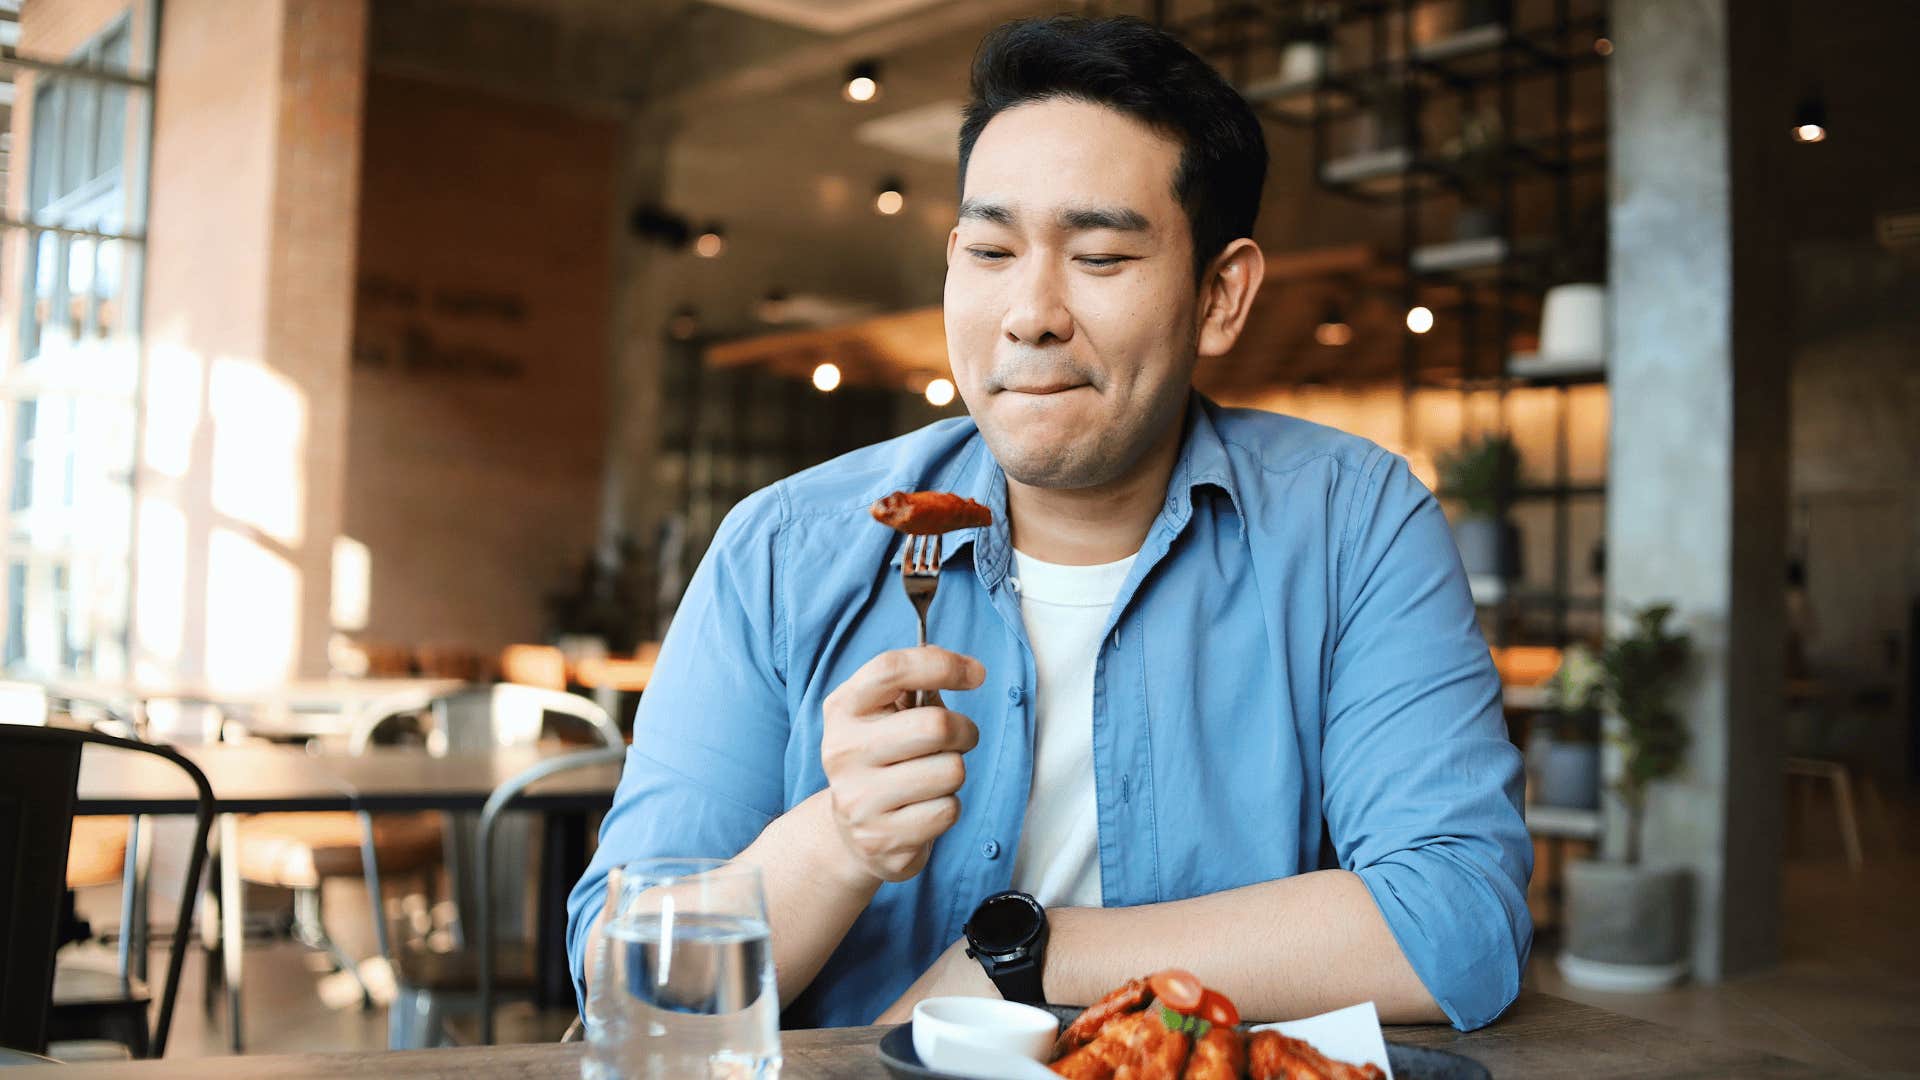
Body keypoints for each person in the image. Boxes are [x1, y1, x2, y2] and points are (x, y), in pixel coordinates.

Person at [568, 15, 1530, 1033]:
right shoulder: (783, 550)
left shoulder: (1351, 524)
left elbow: (1458, 920)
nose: (1030, 311)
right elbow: (626, 989)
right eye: (989, 249)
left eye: (1102, 256)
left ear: (1220, 295)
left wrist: (1023, 960)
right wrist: (835, 844)